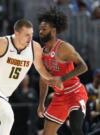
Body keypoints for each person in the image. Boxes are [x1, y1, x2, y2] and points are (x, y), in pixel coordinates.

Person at [0, 19, 62, 135]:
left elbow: (41, 69)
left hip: (2, 96)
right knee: (8, 116)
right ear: (16, 33)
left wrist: (53, 79)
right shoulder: (2, 43)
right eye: (26, 35)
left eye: (31, 34)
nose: (30, 38)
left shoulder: (34, 48)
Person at [37, 7, 88, 135]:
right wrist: (41, 103)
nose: (40, 32)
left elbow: (83, 66)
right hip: (59, 96)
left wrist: (61, 78)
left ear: (53, 31)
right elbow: (43, 80)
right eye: (40, 29)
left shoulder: (63, 47)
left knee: (75, 128)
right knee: (47, 133)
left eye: (44, 29)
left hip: (75, 92)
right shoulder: (42, 54)